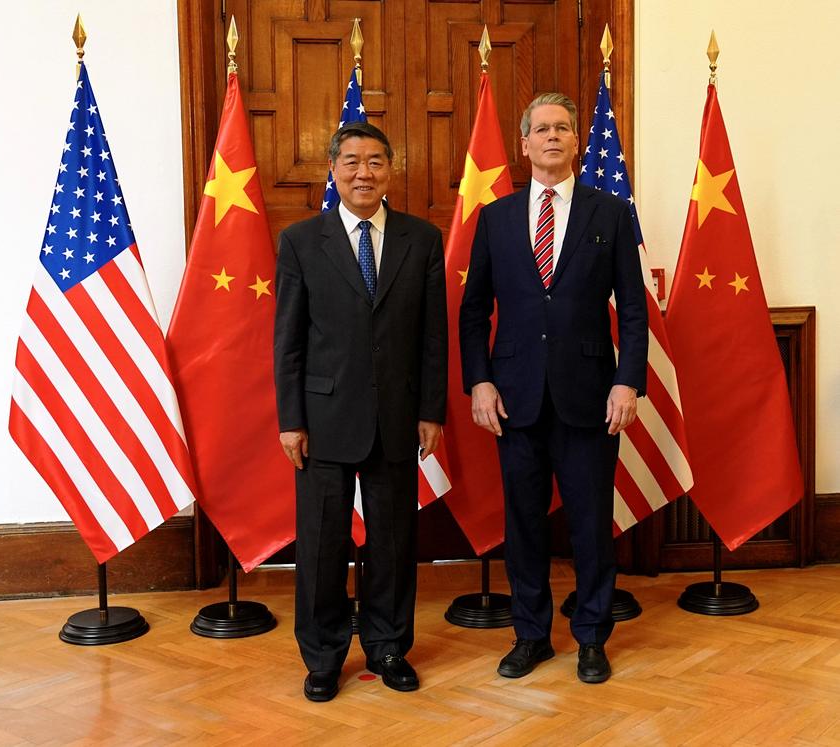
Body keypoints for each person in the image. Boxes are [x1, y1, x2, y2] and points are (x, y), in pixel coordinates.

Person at [459, 93, 648, 684]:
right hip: (513, 397)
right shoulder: (495, 218)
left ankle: (591, 637)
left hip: (590, 395)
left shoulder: (609, 213)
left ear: (577, 142)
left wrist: (627, 382)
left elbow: (634, 310)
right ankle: (531, 636)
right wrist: (480, 381)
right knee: (524, 525)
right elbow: (473, 312)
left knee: (591, 524)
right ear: (524, 144)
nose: (551, 137)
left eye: (562, 128)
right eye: (541, 129)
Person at [274, 122, 447, 702]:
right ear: (333, 170)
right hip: (322, 419)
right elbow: (288, 341)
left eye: (375, 161)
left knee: (393, 541)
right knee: (322, 543)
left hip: (398, 415)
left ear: (390, 170)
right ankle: (323, 657)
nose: (363, 173)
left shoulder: (422, 240)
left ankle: (389, 646)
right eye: (351, 162)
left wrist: (431, 410)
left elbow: (433, 336)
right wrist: (290, 420)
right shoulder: (301, 241)